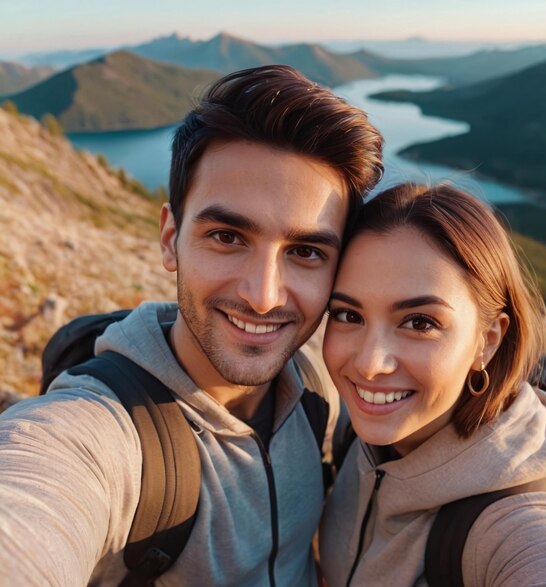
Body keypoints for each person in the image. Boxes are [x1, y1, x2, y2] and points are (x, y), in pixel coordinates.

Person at [0, 65, 384, 586]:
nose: (263, 295)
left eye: (305, 251)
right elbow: (29, 506)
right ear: (169, 238)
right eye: (227, 237)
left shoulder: (314, 384)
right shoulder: (99, 434)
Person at [319, 183, 546, 586]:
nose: (370, 365)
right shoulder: (368, 436)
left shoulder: (516, 524)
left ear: (488, 340)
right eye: (347, 315)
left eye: (420, 323)